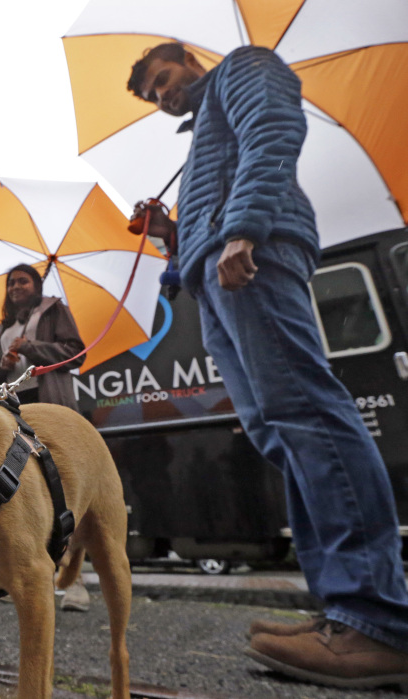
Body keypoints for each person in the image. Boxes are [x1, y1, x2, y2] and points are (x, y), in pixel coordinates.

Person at [127, 42, 408, 688]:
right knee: (279, 429)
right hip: (215, 277)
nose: (161, 96)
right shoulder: (199, 131)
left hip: (249, 258)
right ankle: (341, 608)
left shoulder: (244, 68)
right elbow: (215, 196)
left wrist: (244, 228)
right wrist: (169, 234)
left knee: (306, 414)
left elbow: (275, 130)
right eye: (151, 95)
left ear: (191, 62)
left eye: (163, 80)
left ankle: (375, 619)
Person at [0, 263, 91, 612]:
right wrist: (5, 361)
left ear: (36, 285)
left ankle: (76, 582)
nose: (15, 287)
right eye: (11, 282)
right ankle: (16, 576)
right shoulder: (2, 328)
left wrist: (31, 347)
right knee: (17, 491)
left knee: (65, 489)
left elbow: (76, 352)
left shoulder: (54, 310)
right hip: (11, 412)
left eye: (23, 281)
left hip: (50, 406)